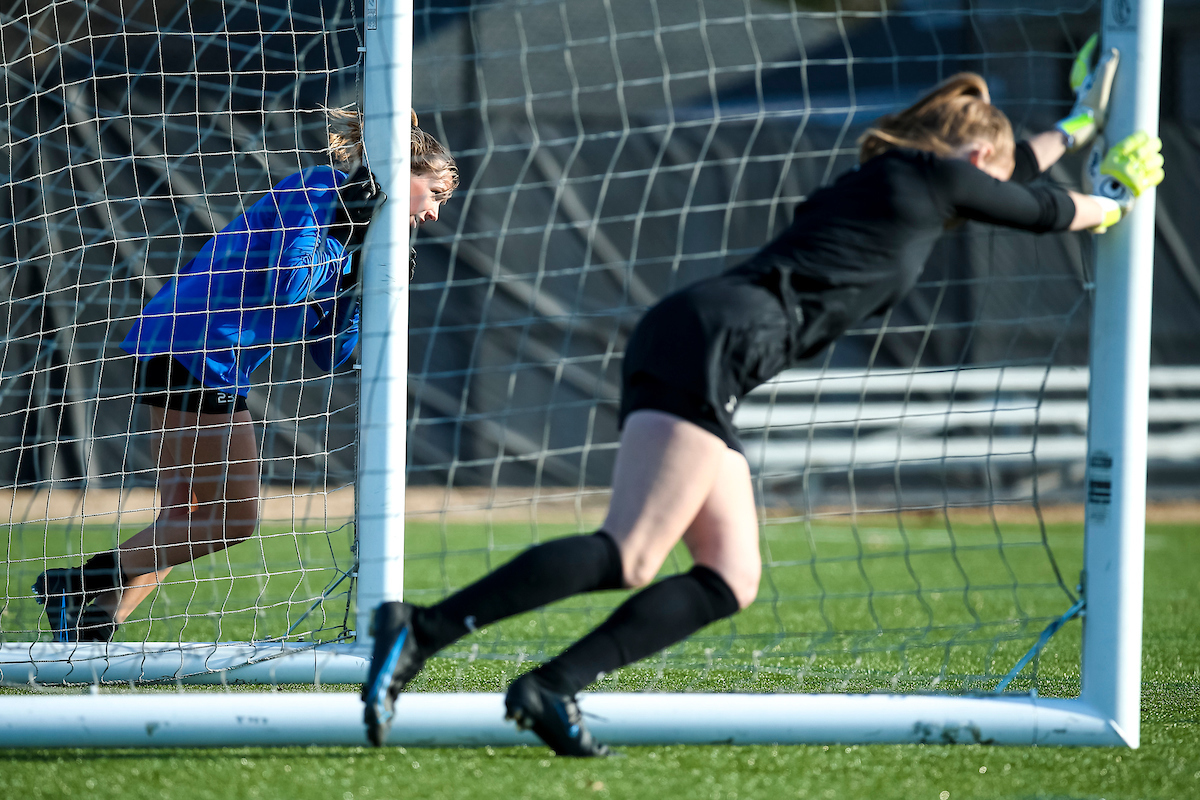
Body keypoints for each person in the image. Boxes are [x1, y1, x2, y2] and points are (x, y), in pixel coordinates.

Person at [361, 48, 1163, 756]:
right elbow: (1043, 207)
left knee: (729, 574)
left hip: (705, 338)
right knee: (633, 552)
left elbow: (1016, 171)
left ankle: (552, 686)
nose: (996, 178)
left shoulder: (903, 178)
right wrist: (1119, 200)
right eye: (992, 164)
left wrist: (1082, 122)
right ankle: (423, 630)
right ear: (968, 151)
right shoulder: (934, 175)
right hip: (717, 340)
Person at [33, 109, 457, 642]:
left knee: (184, 515)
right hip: (196, 347)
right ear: (404, 173)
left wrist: (361, 290)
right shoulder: (321, 187)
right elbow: (288, 285)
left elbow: (329, 354)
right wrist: (348, 248)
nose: (436, 213)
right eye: (436, 193)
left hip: (204, 357)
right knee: (231, 520)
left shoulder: (362, 229)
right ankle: (75, 583)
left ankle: (90, 628)